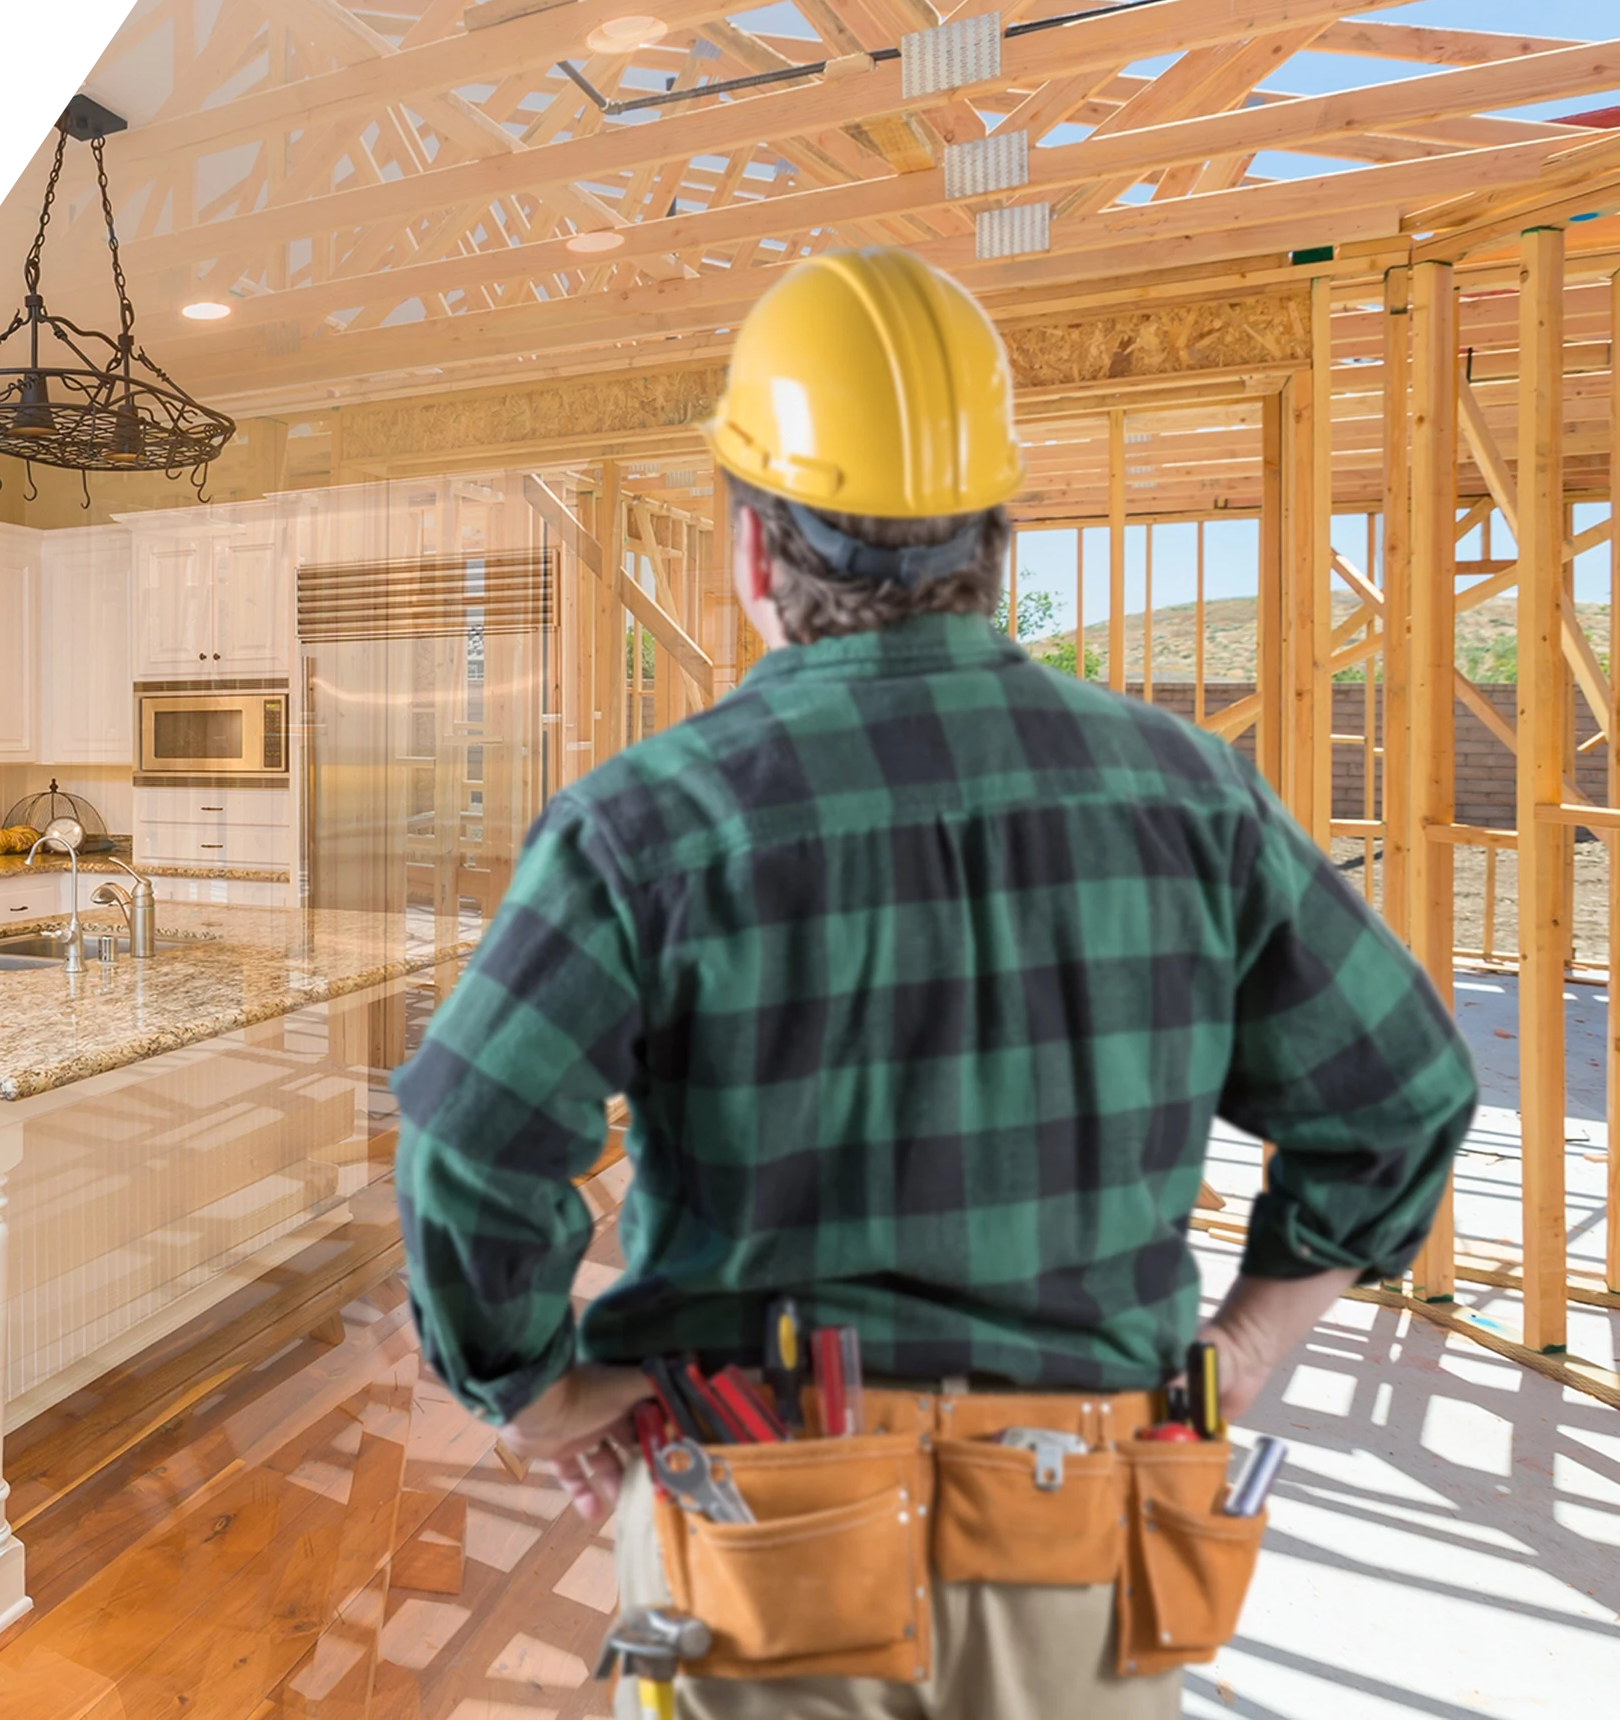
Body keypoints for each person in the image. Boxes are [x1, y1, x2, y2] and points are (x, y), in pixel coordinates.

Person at [390, 247, 1479, 1720]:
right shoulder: (1191, 798)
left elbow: (468, 1137)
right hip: (1082, 1535)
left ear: (754, 552)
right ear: (994, 546)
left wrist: (533, 1390)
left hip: (758, 1525)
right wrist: (1247, 1342)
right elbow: (1401, 1094)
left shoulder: (643, 826)